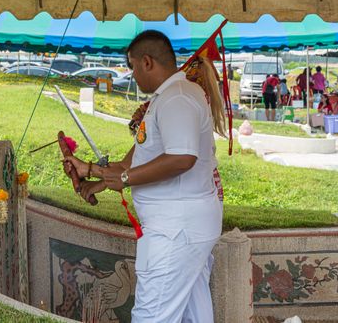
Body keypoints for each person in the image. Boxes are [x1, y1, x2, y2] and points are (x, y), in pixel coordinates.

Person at [64, 30, 223, 323]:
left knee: (152, 316)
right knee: (192, 315)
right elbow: (134, 162)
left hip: (176, 231)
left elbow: (181, 157)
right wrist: (93, 178)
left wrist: (123, 180)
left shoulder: (177, 98)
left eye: (133, 66)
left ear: (147, 62)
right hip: (182, 227)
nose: (132, 75)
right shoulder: (167, 98)